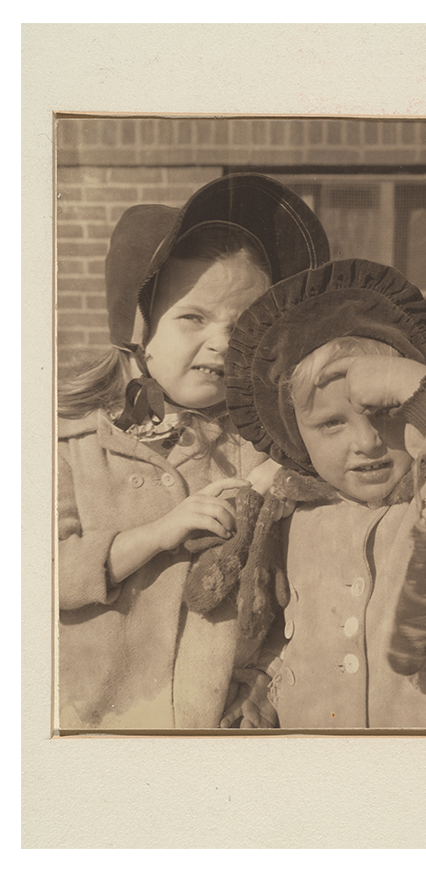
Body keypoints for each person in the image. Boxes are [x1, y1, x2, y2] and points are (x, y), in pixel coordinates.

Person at [57, 173, 330, 731]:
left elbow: (291, 595)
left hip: (210, 730)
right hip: (91, 727)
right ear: (137, 326)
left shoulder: (266, 454)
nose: (224, 342)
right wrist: (155, 535)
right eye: (194, 317)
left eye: (243, 324)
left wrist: (263, 684)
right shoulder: (72, 442)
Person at [223, 258, 426, 729]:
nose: (367, 441)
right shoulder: (298, 516)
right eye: (332, 423)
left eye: (387, 413)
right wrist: (266, 687)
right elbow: (298, 630)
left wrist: (416, 387)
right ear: (296, 437)